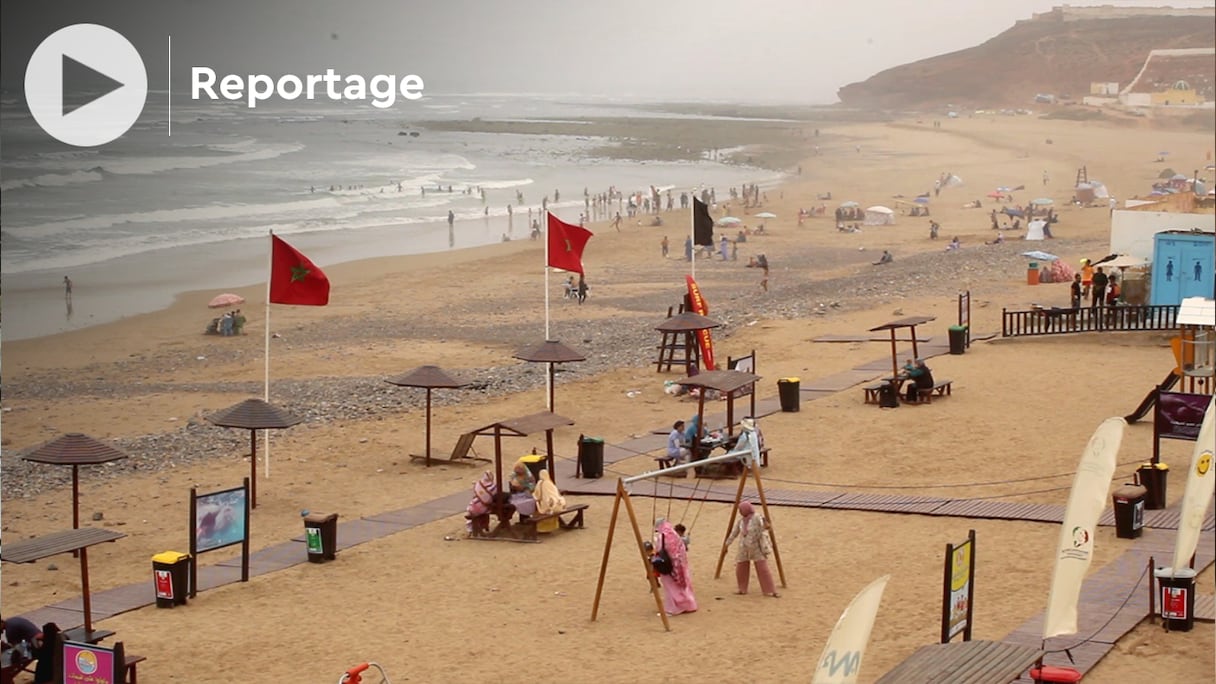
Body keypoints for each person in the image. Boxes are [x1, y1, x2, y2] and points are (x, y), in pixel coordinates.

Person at [724, 501, 779, 597]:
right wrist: (727, 544)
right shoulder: (741, 521)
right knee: (741, 567)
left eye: (741, 510)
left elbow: (765, 526)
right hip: (743, 547)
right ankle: (742, 589)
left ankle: (769, 590)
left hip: (756, 546)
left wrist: (766, 524)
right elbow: (734, 533)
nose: (740, 512)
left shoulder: (757, 517)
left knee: (762, 568)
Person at [652, 518, 697, 615]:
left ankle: (673, 608)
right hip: (680, 565)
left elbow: (659, 549)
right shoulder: (674, 534)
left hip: (668, 565)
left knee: (670, 587)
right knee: (682, 585)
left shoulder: (662, 536)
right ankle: (688, 605)